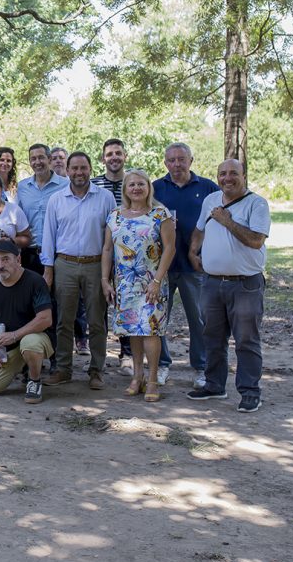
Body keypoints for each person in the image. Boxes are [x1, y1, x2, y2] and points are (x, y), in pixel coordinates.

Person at [186, 159, 270, 413]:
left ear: (244, 176)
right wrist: (193, 251)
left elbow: (256, 240)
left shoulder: (257, 204)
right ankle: (214, 385)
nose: (227, 178)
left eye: (234, 173)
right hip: (212, 283)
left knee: (246, 340)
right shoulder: (211, 200)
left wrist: (228, 221)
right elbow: (200, 229)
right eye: (222, 173)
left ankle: (250, 391)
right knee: (212, 337)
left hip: (245, 284)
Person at [41, 152, 117, 389]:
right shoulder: (56, 199)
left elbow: (113, 237)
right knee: (64, 320)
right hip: (65, 263)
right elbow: (48, 236)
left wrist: (111, 273)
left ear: (90, 169)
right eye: (74, 168)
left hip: (96, 265)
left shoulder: (105, 198)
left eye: (83, 168)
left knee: (96, 321)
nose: (79, 172)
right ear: (67, 170)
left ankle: (96, 370)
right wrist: (48, 270)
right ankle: (63, 369)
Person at [101, 169, 176, 402]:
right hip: (125, 283)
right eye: (131, 184)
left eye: (140, 184)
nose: (136, 188)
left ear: (148, 187)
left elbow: (170, 248)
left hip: (151, 283)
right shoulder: (115, 216)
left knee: (150, 330)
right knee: (132, 329)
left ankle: (152, 380)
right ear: (125, 189)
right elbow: (107, 249)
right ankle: (137, 376)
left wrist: (157, 280)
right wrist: (105, 280)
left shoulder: (160, 214)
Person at [153, 142, 220, 389]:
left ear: (191, 161)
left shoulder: (208, 188)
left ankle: (201, 368)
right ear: (165, 163)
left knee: (199, 320)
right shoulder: (155, 188)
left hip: (195, 266)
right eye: (171, 160)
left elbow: (219, 222)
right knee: (159, 318)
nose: (177, 164)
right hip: (163, 266)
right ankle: (161, 364)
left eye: (182, 159)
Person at [0, 240, 54, 403]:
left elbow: (45, 319)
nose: (0, 265)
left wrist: (14, 335)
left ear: (18, 259)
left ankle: (34, 381)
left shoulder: (35, 281)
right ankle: (20, 365)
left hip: (37, 339)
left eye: (5, 259)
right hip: (8, 346)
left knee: (30, 342)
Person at [16, 143, 68, 276]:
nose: (37, 162)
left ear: (49, 159)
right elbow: (18, 220)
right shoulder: (22, 187)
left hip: (58, 254)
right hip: (29, 254)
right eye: (33, 159)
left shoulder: (66, 185)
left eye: (41, 157)